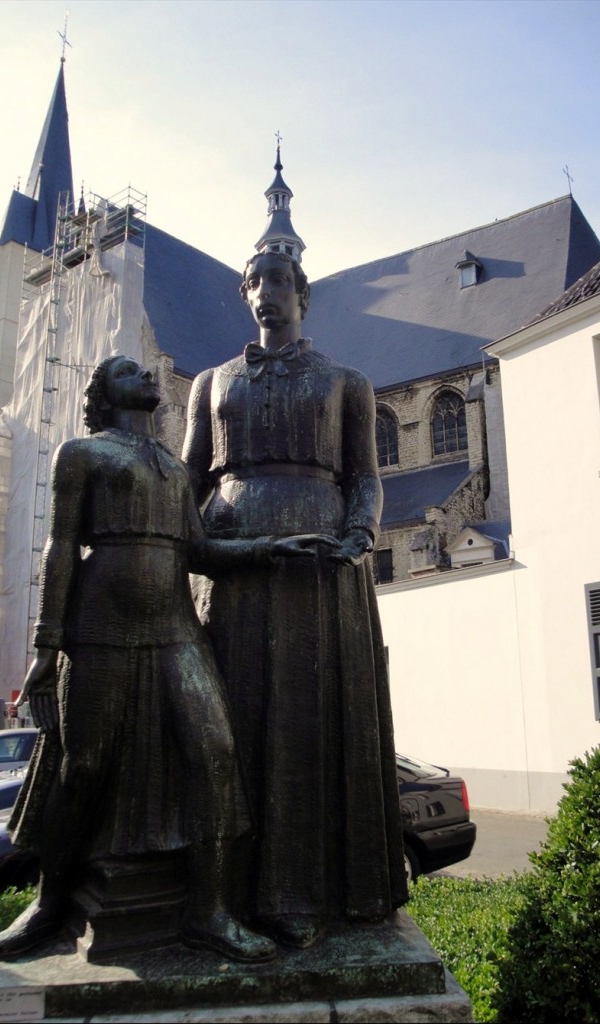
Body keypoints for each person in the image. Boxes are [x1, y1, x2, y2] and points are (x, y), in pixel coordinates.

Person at [0, 355, 325, 962]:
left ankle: (210, 913)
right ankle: (48, 904)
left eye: (145, 370)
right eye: (126, 371)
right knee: (85, 766)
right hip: (99, 629)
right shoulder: (84, 453)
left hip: (176, 628)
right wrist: (46, 644)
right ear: (103, 392)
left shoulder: (173, 466)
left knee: (215, 753)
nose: (145, 374)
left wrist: (271, 548)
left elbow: (200, 550)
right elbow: (61, 545)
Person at [182, 250, 408, 949]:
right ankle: (217, 895)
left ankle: (302, 890)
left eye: (278, 281)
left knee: (306, 722)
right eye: (254, 283)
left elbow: (365, 480)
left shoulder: (347, 382)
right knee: (232, 720)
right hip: (231, 567)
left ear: (302, 293)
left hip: (318, 566)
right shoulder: (210, 383)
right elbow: (186, 481)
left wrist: (357, 535)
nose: (264, 294)